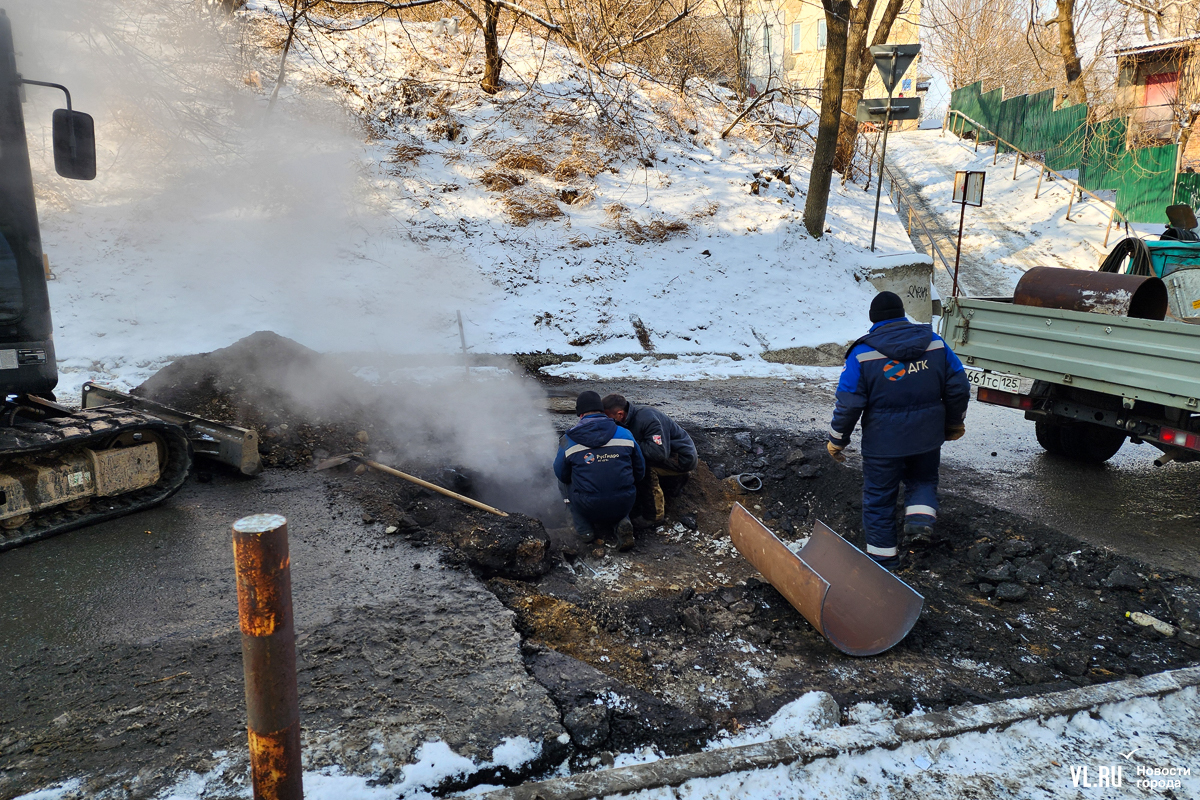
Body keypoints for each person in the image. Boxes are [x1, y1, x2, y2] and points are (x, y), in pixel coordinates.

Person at [826, 291, 970, 570]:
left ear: (873, 320)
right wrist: (953, 423)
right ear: (902, 314)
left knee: (879, 499)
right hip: (927, 437)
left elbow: (849, 402)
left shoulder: (863, 353)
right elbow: (959, 386)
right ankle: (918, 524)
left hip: (883, 444)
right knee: (923, 481)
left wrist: (837, 440)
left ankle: (883, 564)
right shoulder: (935, 343)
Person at [554, 391, 645, 551]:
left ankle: (584, 529)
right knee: (619, 482)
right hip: (625, 501)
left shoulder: (568, 440)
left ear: (580, 414)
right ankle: (622, 521)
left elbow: (561, 474)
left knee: (563, 480)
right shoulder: (625, 434)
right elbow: (640, 471)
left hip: (587, 506)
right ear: (602, 411)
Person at [602, 394, 697, 526]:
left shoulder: (647, 419)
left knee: (643, 468)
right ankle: (672, 484)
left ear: (620, 414)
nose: (607, 421)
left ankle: (654, 516)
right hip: (668, 452)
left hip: (682, 458)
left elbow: (658, 454)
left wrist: (628, 443)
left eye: (608, 417)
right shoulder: (628, 419)